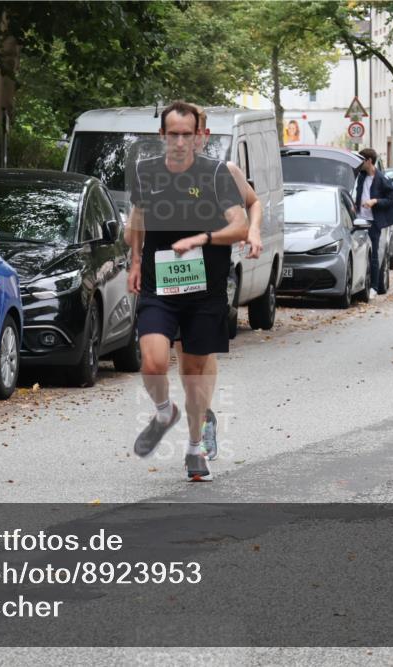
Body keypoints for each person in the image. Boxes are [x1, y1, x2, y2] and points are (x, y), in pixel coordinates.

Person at [126, 101, 249, 481]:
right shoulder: (145, 172)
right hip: (159, 286)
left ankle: (196, 448)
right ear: (162, 136)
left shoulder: (216, 174)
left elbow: (240, 226)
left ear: (199, 136)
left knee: (194, 375)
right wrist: (133, 260)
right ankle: (165, 410)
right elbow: (138, 218)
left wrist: (203, 236)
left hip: (204, 291)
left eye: (187, 134)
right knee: (153, 361)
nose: (180, 141)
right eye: (173, 134)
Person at [175, 104, 263, 462]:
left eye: (192, 134)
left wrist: (253, 230)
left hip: (210, 271)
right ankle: (203, 413)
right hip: (172, 270)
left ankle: (202, 421)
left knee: (203, 349)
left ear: (203, 136)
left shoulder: (223, 171)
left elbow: (253, 202)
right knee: (183, 354)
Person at [354, 147, 393, 297]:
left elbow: (390, 200)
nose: (360, 164)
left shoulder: (382, 179)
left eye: (362, 161)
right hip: (359, 221)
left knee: (373, 255)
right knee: (359, 254)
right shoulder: (360, 176)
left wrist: (375, 201)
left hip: (373, 222)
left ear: (369, 161)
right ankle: (360, 285)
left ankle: (374, 287)